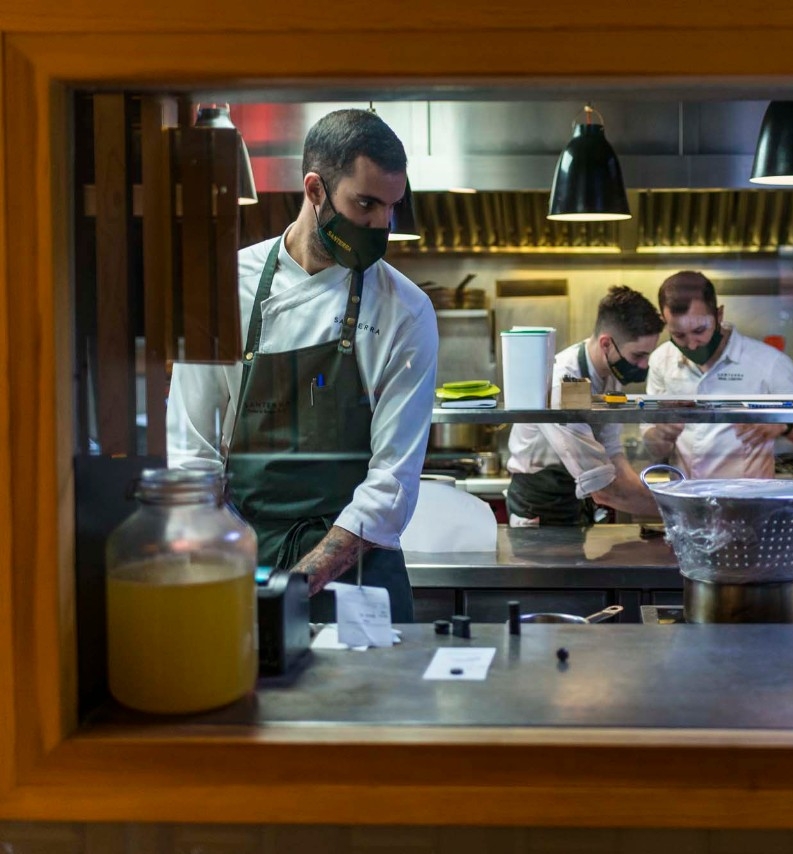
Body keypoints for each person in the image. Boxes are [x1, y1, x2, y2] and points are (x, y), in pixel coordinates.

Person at [167, 109, 438, 622]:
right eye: (367, 204)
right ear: (315, 189)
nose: (381, 225)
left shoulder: (405, 310)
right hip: (242, 559)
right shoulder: (222, 289)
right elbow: (191, 457)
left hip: (358, 574)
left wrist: (295, 584)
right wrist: (232, 565)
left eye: (391, 208)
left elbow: (391, 483)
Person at [641, 271, 793, 479]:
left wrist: (783, 423)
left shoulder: (768, 363)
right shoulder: (661, 361)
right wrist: (660, 435)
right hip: (688, 504)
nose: (692, 344)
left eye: (699, 330)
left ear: (719, 315)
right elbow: (654, 446)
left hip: (749, 505)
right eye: (678, 335)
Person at [505, 286, 664, 526]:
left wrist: (652, 497)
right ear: (606, 344)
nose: (644, 366)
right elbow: (602, 489)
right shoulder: (562, 382)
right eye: (637, 356)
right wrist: (675, 513)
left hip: (571, 495)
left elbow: (612, 453)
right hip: (538, 502)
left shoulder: (610, 376)